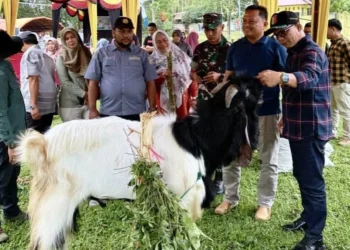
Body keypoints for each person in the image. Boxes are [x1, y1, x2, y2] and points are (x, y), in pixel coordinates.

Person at [258, 11, 332, 250]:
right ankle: (307, 218)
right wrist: (285, 118)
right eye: (277, 34)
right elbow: (292, 91)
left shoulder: (312, 51)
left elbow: (308, 78)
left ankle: (315, 237)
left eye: (284, 32)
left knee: (312, 182)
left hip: (311, 128)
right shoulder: (293, 52)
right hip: (297, 125)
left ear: (299, 27)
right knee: (302, 176)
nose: (281, 38)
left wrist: (279, 76)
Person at [215, 5, 287, 221]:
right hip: (237, 112)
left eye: (252, 21)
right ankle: (230, 198)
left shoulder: (276, 48)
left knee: (268, 158)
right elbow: (228, 77)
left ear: (264, 24)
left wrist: (285, 113)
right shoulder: (235, 47)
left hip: (266, 111)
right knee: (230, 155)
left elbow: (285, 81)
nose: (246, 25)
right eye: (244, 21)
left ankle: (265, 204)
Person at [85, 17, 157, 121]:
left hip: (137, 112)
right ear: (113, 32)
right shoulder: (101, 54)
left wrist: (152, 107)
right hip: (109, 112)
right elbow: (93, 82)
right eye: (122, 31)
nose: (126, 35)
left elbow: (150, 82)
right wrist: (92, 109)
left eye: (129, 31)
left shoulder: (142, 54)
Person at [190, 13, 231, 194]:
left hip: (223, 101)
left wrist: (219, 77)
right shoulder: (199, 48)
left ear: (222, 27)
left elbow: (238, 75)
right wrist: (195, 77)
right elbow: (192, 70)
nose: (210, 33)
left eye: (213, 29)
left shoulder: (231, 49)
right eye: (206, 29)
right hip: (203, 99)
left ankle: (220, 178)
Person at [0, 30, 28, 244]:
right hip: (4, 138)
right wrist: (9, 143)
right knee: (2, 178)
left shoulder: (5, 66)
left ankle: (11, 210)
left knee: (12, 174)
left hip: (15, 132)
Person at [150, 30, 197, 119]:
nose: (163, 44)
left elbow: (191, 75)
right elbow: (149, 83)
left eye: (165, 40)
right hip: (162, 97)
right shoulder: (151, 60)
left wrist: (194, 96)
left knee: (182, 123)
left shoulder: (180, 55)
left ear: (168, 40)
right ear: (154, 44)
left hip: (182, 96)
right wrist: (161, 76)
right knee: (166, 125)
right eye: (159, 42)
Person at [18, 31, 57, 133]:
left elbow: (33, 79)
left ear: (23, 42)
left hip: (36, 103)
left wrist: (34, 106)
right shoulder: (46, 55)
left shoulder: (29, 54)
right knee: (44, 135)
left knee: (32, 139)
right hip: (49, 103)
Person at [56, 28, 92, 122]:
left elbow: (93, 75)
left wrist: (90, 94)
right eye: (67, 39)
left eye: (72, 37)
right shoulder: (61, 58)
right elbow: (65, 82)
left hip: (88, 101)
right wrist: (85, 94)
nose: (70, 40)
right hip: (70, 102)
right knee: (74, 134)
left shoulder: (87, 54)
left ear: (77, 37)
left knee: (90, 132)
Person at [327, 19, 350, 146]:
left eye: (327, 29)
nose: (325, 32)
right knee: (332, 110)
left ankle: (348, 137)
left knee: (346, 111)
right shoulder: (333, 44)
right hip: (332, 82)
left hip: (342, 83)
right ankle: (332, 131)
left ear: (333, 29)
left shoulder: (345, 43)